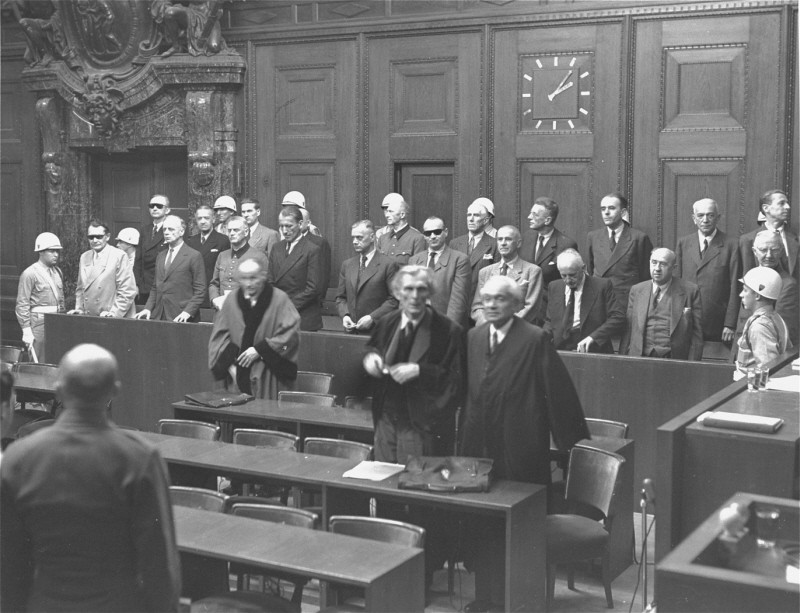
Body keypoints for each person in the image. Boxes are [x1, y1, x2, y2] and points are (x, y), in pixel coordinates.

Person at [0, 343, 181, 612]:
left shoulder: (18, 459)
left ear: (59, 391)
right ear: (114, 392)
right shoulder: (140, 459)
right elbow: (160, 566)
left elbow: (9, 565)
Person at [460, 275, 589, 612]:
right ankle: (485, 596)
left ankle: (517, 599)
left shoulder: (534, 339)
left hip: (519, 448)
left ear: (517, 305)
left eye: (500, 299)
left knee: (519, 527)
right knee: (483, 524)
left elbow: (558, 392)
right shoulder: (473, 337)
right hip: (480, 448)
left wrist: (570, 440)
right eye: (486, 298)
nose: (490, 304)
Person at [363, 265, 463, 463]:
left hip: (423, 423)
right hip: (386, 418)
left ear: (430, 292)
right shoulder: (387, 322)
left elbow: (458, 381)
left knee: (415, 482)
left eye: (421, 289)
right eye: (408, 289)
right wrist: (371, 360)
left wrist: (420, 371)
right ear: (398, 293)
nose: (415, 296)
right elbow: (372, 349)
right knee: (383, 480)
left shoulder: (448, 330)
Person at [209, 258, 300, 399]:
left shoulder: (280, 299)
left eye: (253, 278)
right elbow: (219, 336)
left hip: (269, 374)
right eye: (244, 278)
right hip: (237, 374)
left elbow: (291, 333)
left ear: (263, 276)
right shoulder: (232, 300)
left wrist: (261, 350)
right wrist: (229, 366)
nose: (249, 283)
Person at [620, 248, 704, 360]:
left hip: (674, 359)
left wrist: (693, 365)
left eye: (663, 264)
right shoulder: (637, 290)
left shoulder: (690, 291)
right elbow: (628, 330)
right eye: (654, 262)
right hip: (640, 358)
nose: (657, 268)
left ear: (674, 268)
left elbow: (696, 335)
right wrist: (622, 359)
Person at [675, 198, 740, 342]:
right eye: (700, 215)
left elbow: (736, 286)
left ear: (718, 218)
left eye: (710, 215)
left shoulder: (732, 244)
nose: (705, 220)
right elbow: (676, 284)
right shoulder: (683, 243)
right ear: (694, 218)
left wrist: (730, 323)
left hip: (717, 323)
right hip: (687, 320)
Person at [543, 249, 625, 353]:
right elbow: (550, 320)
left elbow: (617, 317)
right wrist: (542, 339)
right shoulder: (554, 286)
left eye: (572, 275)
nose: (568, 280)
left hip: (593, 348)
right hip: (561, 348)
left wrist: (593, 337)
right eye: (563, 275)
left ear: (584, 268)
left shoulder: (602, 286)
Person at [734, 230, 799, 347]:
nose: (769, 255)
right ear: (754, 251)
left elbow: (783, 332)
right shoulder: (751, 275)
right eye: (763, 250)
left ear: (781, 251)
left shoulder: (788, 284)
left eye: (774, 250)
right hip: (742, 347)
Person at [587, 193, 653, 307]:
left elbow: (645, 276)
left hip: (627, 302)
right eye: (603, 209)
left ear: (623, 212)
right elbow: (590, 267)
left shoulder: (639, 238)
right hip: (600, 300)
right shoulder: (593, 236)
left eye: (612, 208)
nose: (606, 212)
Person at [136, 215, 207, 322]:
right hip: (159, 315)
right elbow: (155, 287)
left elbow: (200, 290)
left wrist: (187, 312)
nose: (166, 232)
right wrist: (147, 308)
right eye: (164, 229)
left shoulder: (194, 256)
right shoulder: (161, 256)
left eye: (171, 229)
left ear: (182, 232)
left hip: (182, 317)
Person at [471, 225, 542, 326]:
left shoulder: (532, 271)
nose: (503, 243)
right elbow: (477, 307)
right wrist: (489, 324)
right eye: (500, 239)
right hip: (489, 332)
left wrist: (505, 325)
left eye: (508, 239)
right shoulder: (485, 272)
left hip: (519, 332)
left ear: (518, 243)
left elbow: (531, 308)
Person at [336, 220, 399, 334]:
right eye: (353, 238)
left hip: (377, 331)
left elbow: (394, 299)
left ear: (371, 237)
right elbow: (341, 297)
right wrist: (345, 316)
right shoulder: (347, 265)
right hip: (351, 331)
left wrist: (372, 318)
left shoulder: (388, 265)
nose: (355, 242)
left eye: (359, 238)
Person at [409, 216, 471, 327]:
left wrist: (447, 330)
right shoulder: (414, 260)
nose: (432, 236)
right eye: (428, 233)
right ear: (424, 236)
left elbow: (458, 302)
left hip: (446, 327)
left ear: (445, 232)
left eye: (437, 232)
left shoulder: (459, 260)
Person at [268, 206, 323, 331]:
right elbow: (270, 280)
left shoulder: (312, 250)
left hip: (302, 316)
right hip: (279, 315)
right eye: (281, 226)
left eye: (289, 226)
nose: (285, 231)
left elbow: (313, 288)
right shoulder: (277, 248)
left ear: (300, 224)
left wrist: (287, 306)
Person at [68, 219, 137, 318]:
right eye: (91, 237)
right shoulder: (84, 257)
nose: (95, 240)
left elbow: (127, 290)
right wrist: (79, 309)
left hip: (113, 318)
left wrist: (114, 313)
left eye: (99, 237)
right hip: (89, 317)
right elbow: (80, 289)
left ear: (107, 237)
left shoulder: (119, 256)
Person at [15, 232, 65, 362]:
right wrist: (26, 329)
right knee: (39, 362)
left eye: (57, 251)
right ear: (41, 252)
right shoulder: (29, 274)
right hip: (39, 324)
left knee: (56, 359)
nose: (56, 255)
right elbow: (22, 303)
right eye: (52, 251)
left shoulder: (57, 271)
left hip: (57, 321)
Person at [734, 267, 791, 374]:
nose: (741, 294)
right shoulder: (776, 318)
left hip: (752, 387)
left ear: (757, 295)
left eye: (745, 290)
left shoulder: (759, 327)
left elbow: (768, 369)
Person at [208, 216, 269, 311]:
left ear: (246, 232)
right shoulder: (222, 255)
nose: (232, 233)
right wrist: (215, 299)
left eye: (236, 230)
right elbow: (214, 284)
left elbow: (265, 290)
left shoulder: (259, 257)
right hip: (222, 314)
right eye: (229, 230)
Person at [519, 197, 579, 287]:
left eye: (535, 214)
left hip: (549, 298)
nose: (529, 217)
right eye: (531, 213)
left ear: (547, 220)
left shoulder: (566, 245)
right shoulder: (527, 237)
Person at [739, 189, 798, 279]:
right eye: (781, 203)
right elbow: (747, 276)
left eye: (787, 203)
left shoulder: (797, 238)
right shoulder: (748, 240)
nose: (788, 207)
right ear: (766, 208)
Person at [450, 197, 500, 298]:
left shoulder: (495, 244)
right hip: (458, 300)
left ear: (486, 220)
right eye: (469, 215)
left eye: (476, 215)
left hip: (481, 301)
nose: (471, 219)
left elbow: (496, 279)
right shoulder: (454, 243)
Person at [184, 205, 230, 304]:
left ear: (213, 219)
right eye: (199, 218)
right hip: (193, 293)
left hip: (212, 293)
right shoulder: (191, 241)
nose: (203, 221)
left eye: (206, 218)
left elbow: (224, 272)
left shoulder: (223, 240)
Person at [137, 194, 170, 304]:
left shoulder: (171, 230)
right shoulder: (145, 230)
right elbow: (138, 259)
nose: (155, 208)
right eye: (152, 206)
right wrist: (137, 284)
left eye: (159, 206)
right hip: (144, 286)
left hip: (162, 286)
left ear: (167, 210)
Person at [376, 192, 426, 264]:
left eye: (391, 212)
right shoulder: (382, 238)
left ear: (402, 214)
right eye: (386, 211)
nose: (387, 215)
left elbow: (418, 270)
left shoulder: (417, 238)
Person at [115, 227, 141, 297]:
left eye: (120, 242)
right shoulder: (119, 258)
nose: (117, 245)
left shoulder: (140, 261)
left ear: (129, 244)